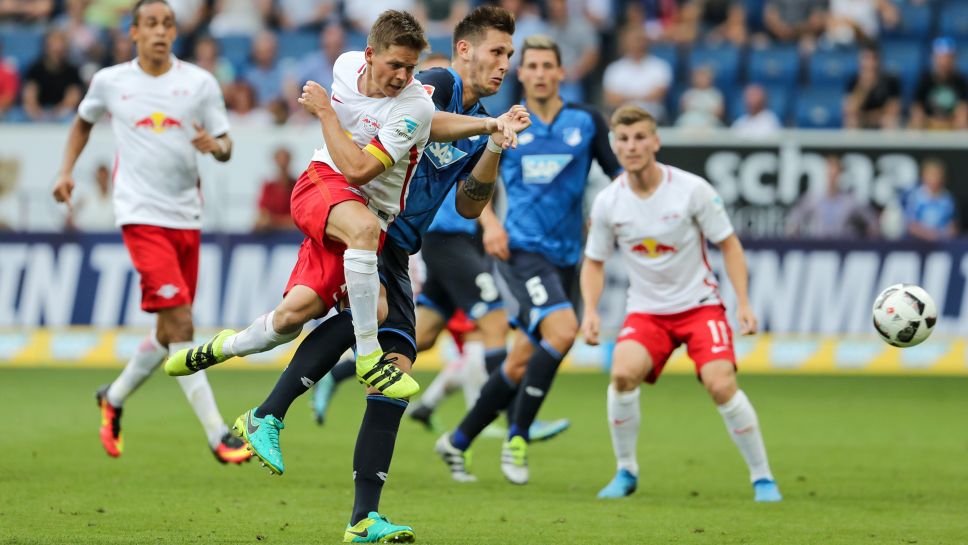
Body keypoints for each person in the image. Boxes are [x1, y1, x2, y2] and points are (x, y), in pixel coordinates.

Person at [164, 9, 526, 542]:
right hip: (357, 215)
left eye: (508, 56)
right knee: (370, 321)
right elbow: (409, 116)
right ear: (464, 50)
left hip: (397, 245)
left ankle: (362, 516)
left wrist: (493, 142)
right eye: (496, 52)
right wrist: (482, 124)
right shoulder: (435, 83)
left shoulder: (479, 121)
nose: (503, 65)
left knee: (315, 329)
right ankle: (273, 411)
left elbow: (471, 204)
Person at [51, 0, 250, 465]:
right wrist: (66, 172)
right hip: (139, 216)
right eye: (151, 24)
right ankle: (219, 434)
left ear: (175, 32)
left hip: (187, 216)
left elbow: (226, 146)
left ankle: (113, 397)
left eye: (167, 24)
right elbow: (82, 121)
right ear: (134, 32)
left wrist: (213, 145)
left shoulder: (198, 84)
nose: (160, 31)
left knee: (166, 331)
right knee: (183, 326)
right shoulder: (110, 81)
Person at [435, 35, 622, 485]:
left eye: (546, 66)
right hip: (519, 250)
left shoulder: (586, 122)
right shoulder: (505, 122)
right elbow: (471, 181)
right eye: (531, 66)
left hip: (567, 257)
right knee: (562, 331)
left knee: (521, 360)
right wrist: (490, 224)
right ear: (522, 74)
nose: (538, 73)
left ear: (561, 73)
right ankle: (517, 437)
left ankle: (457, 440)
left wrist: (608, 217)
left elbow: (616, 176)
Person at [581, 103, 782, 502]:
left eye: (640, 138)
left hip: (700, 306)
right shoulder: (608, 202)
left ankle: (763, 478)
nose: (632, 146)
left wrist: (743, 302)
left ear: (655, 142)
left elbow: (729, 244)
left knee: (720, 384)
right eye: (623, 139)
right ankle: (626, 471)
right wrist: (590, 310)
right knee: (621, 375)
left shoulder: (692, 190)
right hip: (647, 313)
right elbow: (594, 262)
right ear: (614, 146)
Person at [785, 155, 879, 239]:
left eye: (835, 175)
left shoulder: (850, 201)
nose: (832, 179)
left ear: (840, 175)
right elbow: (793, 222)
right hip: (818, 249)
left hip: (843, 249)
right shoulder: (813, 198)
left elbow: (872, 223)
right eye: (829, 174)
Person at [910, 37, 968, 131]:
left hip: (952, 126)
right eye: (941, 57)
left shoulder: (961, 81)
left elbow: (962, 110)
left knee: (963, 122)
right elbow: (917, 109)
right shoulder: (925, 80)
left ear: (955, 59)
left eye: (949, 57)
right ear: (934, 58)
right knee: (915, 121)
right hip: (928, 126)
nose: (945, 61)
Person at [904, 158, 957, 241]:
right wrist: (927, 234)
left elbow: (952, 227)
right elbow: (910, 224)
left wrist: (939, 235)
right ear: (923, 176)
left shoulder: (948, 200)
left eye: (937, 174)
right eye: (931, 174)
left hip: (942, 246)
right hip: (917, 245)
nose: (934, 178)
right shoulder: (915, 197)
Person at [253, 147, 296, 232]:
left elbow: (299, 219)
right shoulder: (268, 187)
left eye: (285, 161)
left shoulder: (297, 186)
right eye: (280, 161)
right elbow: (263, 214)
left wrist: (274, 222)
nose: (282, 165)